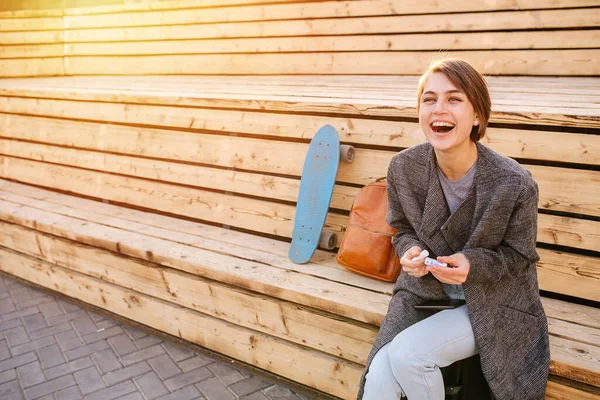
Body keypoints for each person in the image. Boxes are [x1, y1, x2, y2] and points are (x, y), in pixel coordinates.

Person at [358, 58, 550, 400]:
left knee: (409, 357)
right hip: (425, 293)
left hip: (495, 301)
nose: (438, 109)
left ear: (477, 115)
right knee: (379, 377)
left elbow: (519, 256)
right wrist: (410, 254)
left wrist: (472, 264)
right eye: (429, 99)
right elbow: (401, 230)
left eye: (454, 98)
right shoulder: (403, 168)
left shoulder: (515, 183)